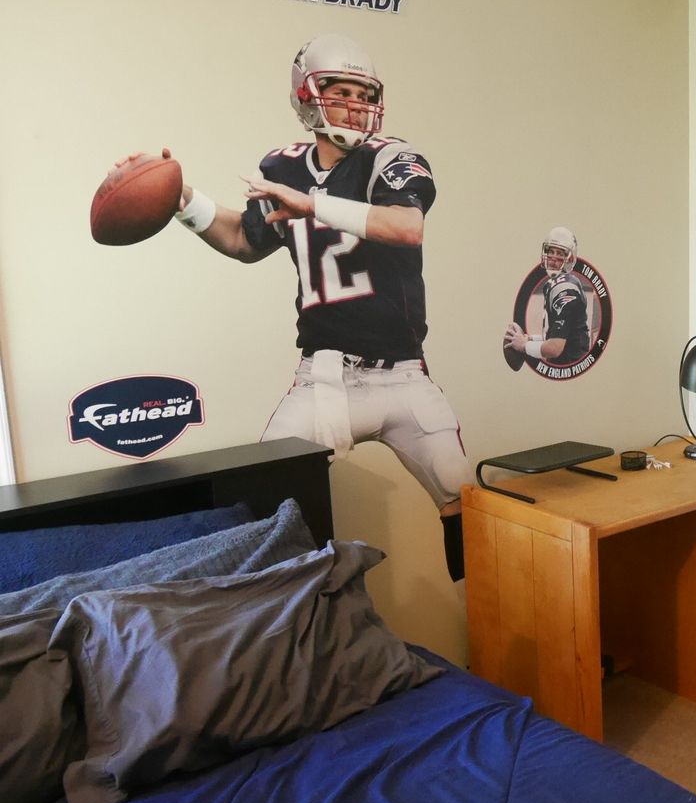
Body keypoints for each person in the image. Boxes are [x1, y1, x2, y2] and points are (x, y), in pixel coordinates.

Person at [168, 33, 471, 581]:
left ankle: (490, 614)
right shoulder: (281, 167)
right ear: (306, 96)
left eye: (364, 93)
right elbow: (244, 240)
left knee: (466, 504)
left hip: (403, 375)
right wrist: (184, 201)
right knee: (265, 511)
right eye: (341, 90)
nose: (355, 104)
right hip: (324, 378)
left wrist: (313, 205)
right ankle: (286, 621)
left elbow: (406, 226)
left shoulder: (391, 158)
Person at [504, 227, 592, 365]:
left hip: (569, 364)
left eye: (559, 253)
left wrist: (524, 346)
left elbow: (554, 348)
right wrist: (529, 339)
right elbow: (556, 336)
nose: (552, 259)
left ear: (570, 258)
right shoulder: (556, 283)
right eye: (550, 252)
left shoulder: (565, 289)